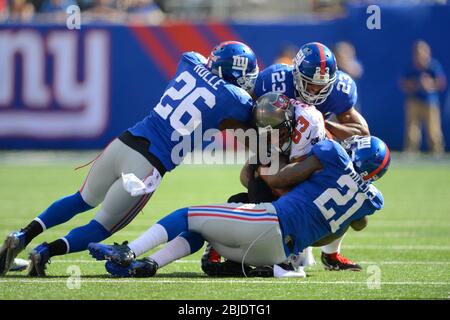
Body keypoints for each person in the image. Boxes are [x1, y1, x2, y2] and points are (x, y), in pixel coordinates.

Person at [0, 41, 259, 277]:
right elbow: (253, 114)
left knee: (81, 199)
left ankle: (23, 234)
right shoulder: (235, 98)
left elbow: (198, 61)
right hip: (147, 164)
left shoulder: (189, 61)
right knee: (100, 227)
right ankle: (45, 252)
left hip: (124, 142)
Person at [87, 134, 390, 278]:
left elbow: (282, 179)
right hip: (276, 253)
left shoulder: (334, 155)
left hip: (265, 223)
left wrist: (264, 156)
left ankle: (130, 251)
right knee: (201, 229)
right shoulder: (372, 201)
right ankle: (149, 266)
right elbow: (348, 226)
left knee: (186, 214)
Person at [246, 41, 370, 271]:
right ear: (295, 74)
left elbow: (363, 134)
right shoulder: (274, 80)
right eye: (308, 84)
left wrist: (322, 123)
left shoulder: (340, 90)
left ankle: (331, 254)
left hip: (316, 147)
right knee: (257, 183)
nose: (313, 91)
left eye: (320, 86)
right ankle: (279, 248)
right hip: (279, 147)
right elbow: (250, 114)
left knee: (355, 206)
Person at [400, 40, 446, 155]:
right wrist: (415, 84)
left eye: (422, 51)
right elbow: (403, 83)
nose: (419, 54)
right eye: (417, 52)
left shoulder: (433, 66)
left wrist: (429, 84)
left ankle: (436, 152)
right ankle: (411, 151)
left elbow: (441, 83)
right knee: (412, 129)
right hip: (414, 101)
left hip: (430, 102)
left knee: (433, 129)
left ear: (427, 52)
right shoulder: (410, 67)